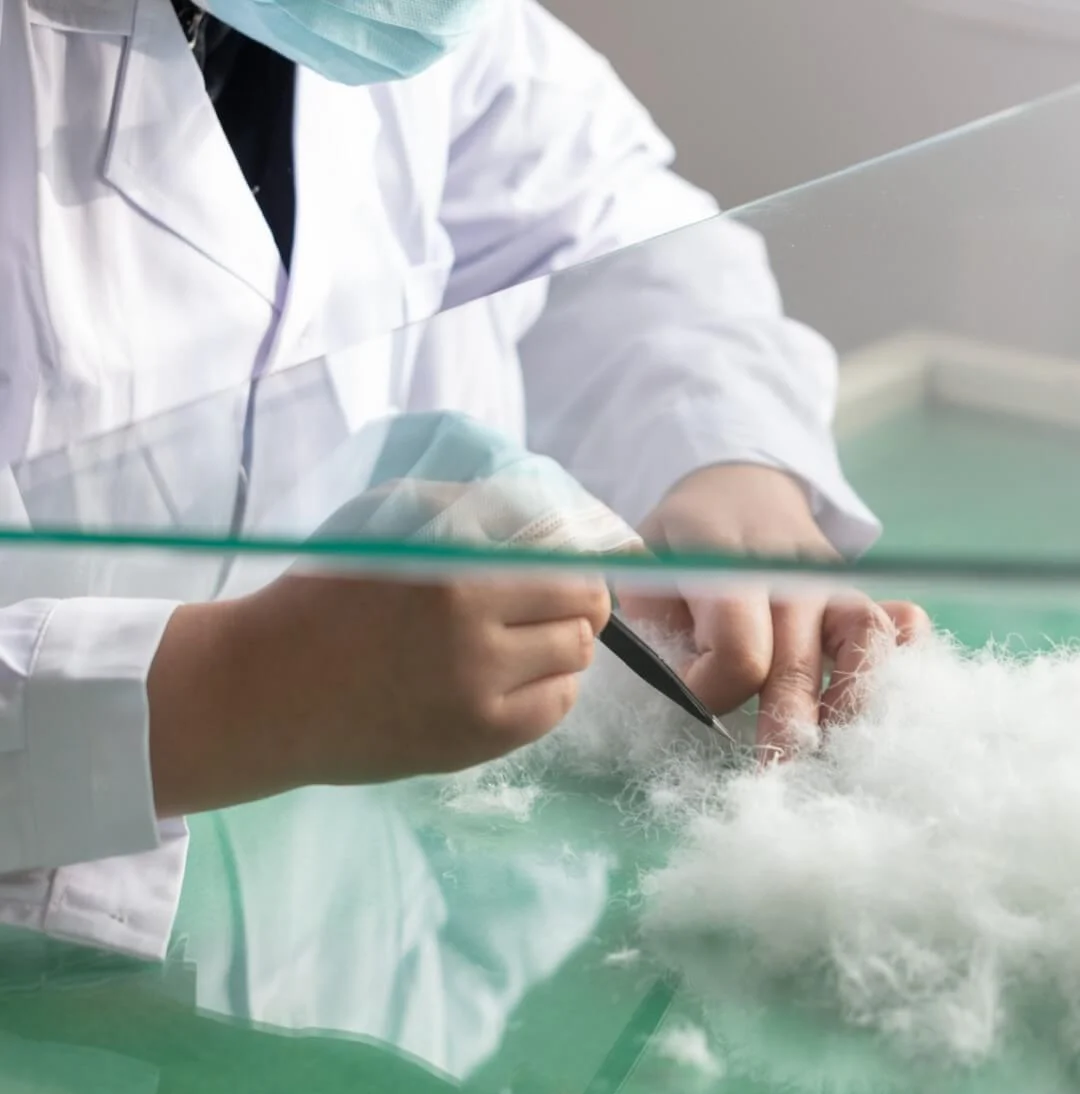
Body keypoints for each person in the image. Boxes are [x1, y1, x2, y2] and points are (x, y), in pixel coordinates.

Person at [0, 0, 927, 959]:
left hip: (363, 921)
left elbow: (603, 225)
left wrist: (723, 452)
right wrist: (222, 694)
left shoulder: (418, 26)